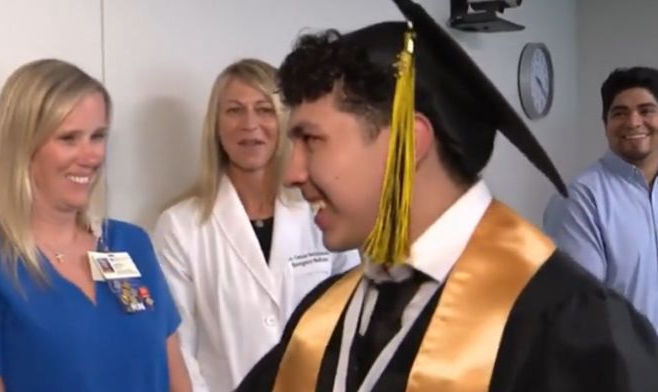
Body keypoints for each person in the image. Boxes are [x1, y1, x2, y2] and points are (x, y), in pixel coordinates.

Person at [236, 1, 658, 391]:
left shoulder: (571, 327)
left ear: (410, 143)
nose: (292, 173)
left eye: (311, 139)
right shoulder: (322, 318)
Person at [0, 59, 191, 392]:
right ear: (23, 147)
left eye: (97, 136)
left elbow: (178, 381)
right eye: (69, 138)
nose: (90, 156)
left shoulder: (131, 245)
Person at [153, 58, 359, 392]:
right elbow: (178, 348)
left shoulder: (322, 214)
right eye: (234, 111)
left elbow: (350, 320)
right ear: (216, 126)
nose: (250, 124)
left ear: (284, 120)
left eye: (264, 109)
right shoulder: (180, 226)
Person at [543, 66, 658, 332]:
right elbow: (580, 309)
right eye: (619, 113)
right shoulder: (579, 198)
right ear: (605, 124)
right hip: (623, 368)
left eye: (646, 110)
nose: (633, 122)